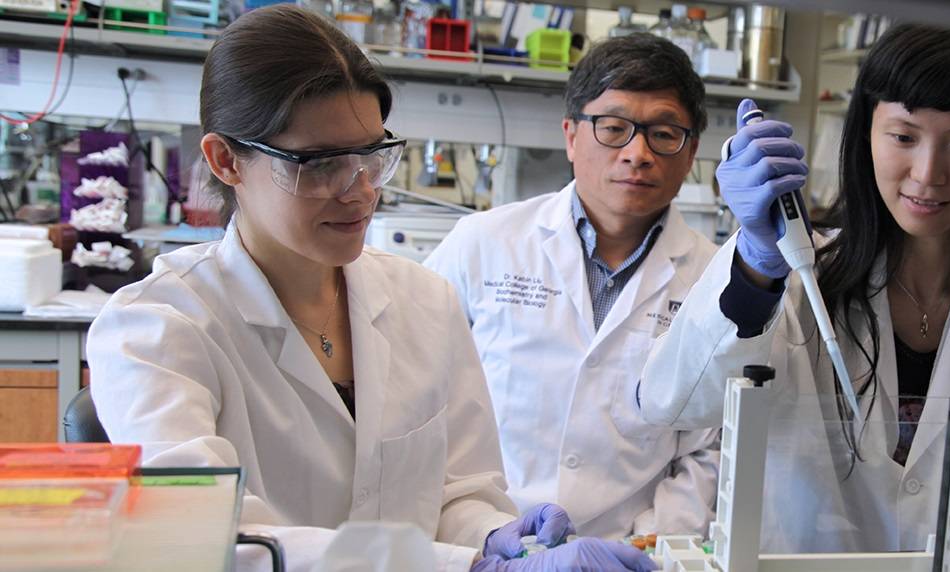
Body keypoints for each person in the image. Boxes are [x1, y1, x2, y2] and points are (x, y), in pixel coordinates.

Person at [87, 6, 653, 571]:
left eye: (372, 155)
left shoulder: (423, 301)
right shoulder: (155, 328)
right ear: (226, 160)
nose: (360, 190)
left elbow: (458, 491)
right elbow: (211, 538)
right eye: (322, 164)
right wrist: (470, 567)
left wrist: (494, 535)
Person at [637, 24, 950, 568]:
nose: (928, 174)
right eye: (904, 137)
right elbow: (672, 401)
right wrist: (754, 272)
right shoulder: (795, 272)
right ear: (866, 131)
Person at [422, 33, 720, 540]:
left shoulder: (714, 280)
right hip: (485, 542)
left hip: (630, 553)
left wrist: (648, 544)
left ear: (690, 152)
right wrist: (478, 533)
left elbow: (710, 444)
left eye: (664, 133)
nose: (637, 153)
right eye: (614, 128)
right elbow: (414, 387)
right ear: (571, 135)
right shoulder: (484, 243)